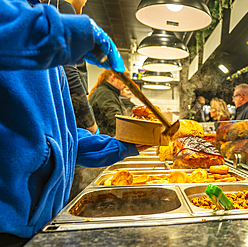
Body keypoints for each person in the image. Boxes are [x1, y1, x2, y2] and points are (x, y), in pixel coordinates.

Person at [0, 0, 149, 244]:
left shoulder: (51, 58)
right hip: (8, 224)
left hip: (40, 220)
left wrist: (119, 147)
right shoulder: (26, 24)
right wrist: (66, 32)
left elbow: (62, 136)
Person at [44, 0, 98, 135]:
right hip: (66, 112)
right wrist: (91, 124)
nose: (86, 2)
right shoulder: (63, 8)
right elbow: (69, 72)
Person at [88, 69, 134, 137]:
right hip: (105, 143)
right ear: (114, 77)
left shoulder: (107, 93)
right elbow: (116, 123)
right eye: (124, 80)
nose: (125, 85)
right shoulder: (106, 94)